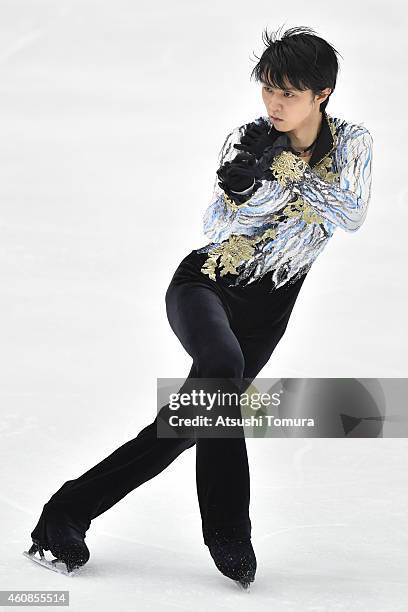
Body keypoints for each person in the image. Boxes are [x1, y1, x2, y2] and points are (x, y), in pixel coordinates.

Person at [24, 25, 373, 589]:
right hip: (206, 285)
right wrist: (243, 190)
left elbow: (350, 212)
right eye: (267, 89)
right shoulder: (248, 136)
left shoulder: (353, 143)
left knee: (182, 425)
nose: (274, 104)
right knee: (220, 374)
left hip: (267, 313)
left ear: (321, 95)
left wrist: (285, 172)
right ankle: (229, 531)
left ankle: (65, 512)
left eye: (288, 93)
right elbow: (215, 225)